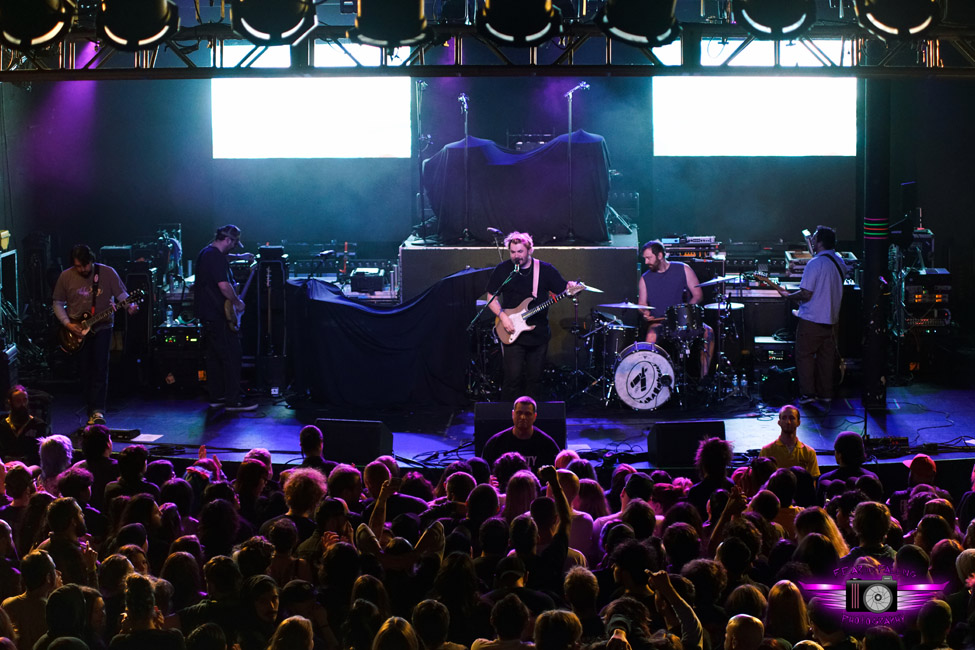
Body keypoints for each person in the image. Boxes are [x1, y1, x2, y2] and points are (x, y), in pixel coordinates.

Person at [485, 231, 580, 401]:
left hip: (538, 334)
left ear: (530, 250)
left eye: (520, 251)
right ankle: (508, 413)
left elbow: (565, 289)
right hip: (511, 332)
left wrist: (572, 287)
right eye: (513, 252)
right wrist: (504, 317)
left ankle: (531, 414)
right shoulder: (503, 270)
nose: (516, 256)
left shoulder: (545, 270)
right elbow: (491, 298)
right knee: (512, 380)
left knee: (534, 380)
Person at [52, 244, 139, 425]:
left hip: (102, 327)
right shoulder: (65, 277)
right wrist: (67, 324)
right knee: (84, 370)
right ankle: (90, 407)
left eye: (85, 265)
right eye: (78, 266)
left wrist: (130, 306)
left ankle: (98, 411)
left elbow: (121, 295)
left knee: (100, 368)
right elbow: (57, 302)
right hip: (76, 329)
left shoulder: (107, 273)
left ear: (92, 260)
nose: (82, 270)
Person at [773, 226, 846, 406]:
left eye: (813, 238)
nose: (811, 241)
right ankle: (825, 394)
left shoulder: (815, 263)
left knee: (804, 357)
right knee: (826, 360)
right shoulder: (840, 262)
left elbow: (806, 293)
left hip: (812, 321)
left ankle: (808, 394)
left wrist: (788, 296)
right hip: (832, 322)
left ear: (819, 242)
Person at [194, 224, 257, 412]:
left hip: (208, 314)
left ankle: (218, 397)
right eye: (234, 243)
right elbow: (223, 285)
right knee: (232, 356)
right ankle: (233, 400)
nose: (234, 247)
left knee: (214, 358)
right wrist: (237, 302)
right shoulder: (215, 257)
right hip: (218, 314)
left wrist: (239, 257)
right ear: (228, 240)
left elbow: (223, 258)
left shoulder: (207, 253)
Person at [636, 240, 713, 377]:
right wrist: (644, 312)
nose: (646, 262)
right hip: (660, 322)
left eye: (649, 258)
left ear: (660, 255)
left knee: (709, 332)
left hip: (685, 320)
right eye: (645, 258)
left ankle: (704, 378)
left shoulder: (683, 269)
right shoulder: (645, 278)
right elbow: (641, 303)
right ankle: (651, 380)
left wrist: (686, 311)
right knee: (650, 337)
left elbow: (698, 295)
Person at [481, 396, 560, 471]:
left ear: (535, 416)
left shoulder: (547, 445)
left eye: (527, 414)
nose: (523, 417)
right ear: (513, 414)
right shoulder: (496, 443)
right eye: (519, 413)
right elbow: (484, 472)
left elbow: (559, 473)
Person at [760, 405, 820, 480]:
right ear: (779, 422)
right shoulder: (767, 451)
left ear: (798, 422)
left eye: (792, 418)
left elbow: (812, 481)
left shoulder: (809, 453)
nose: (788, 422)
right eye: (784, 418)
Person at [0, 384, 45, 465]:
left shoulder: (38, 425)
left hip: (30, 468)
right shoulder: (2, 425)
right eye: (18, 401)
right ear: (10, 402)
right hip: (6, 467)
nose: (23, 404)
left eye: (25, 400)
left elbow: (41, 454)